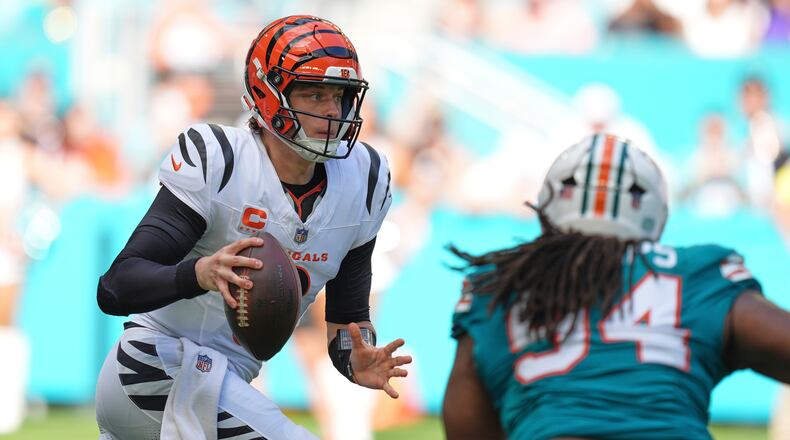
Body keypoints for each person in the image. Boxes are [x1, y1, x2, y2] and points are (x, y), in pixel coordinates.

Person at [95, 15, 411, 440]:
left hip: (224, 382)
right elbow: (116, 286)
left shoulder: (365, 180)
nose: (332, 110)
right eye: (314, 94)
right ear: (269, 94)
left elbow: (347, 316)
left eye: (340, 95)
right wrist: (198, 273)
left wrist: (353, 357)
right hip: (155, 368)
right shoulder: (222, 161)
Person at [442, 133, 790, 439]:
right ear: (656, 213)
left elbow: (466, 427)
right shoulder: (697, 275)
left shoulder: (497, 287)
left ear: (547, 206)